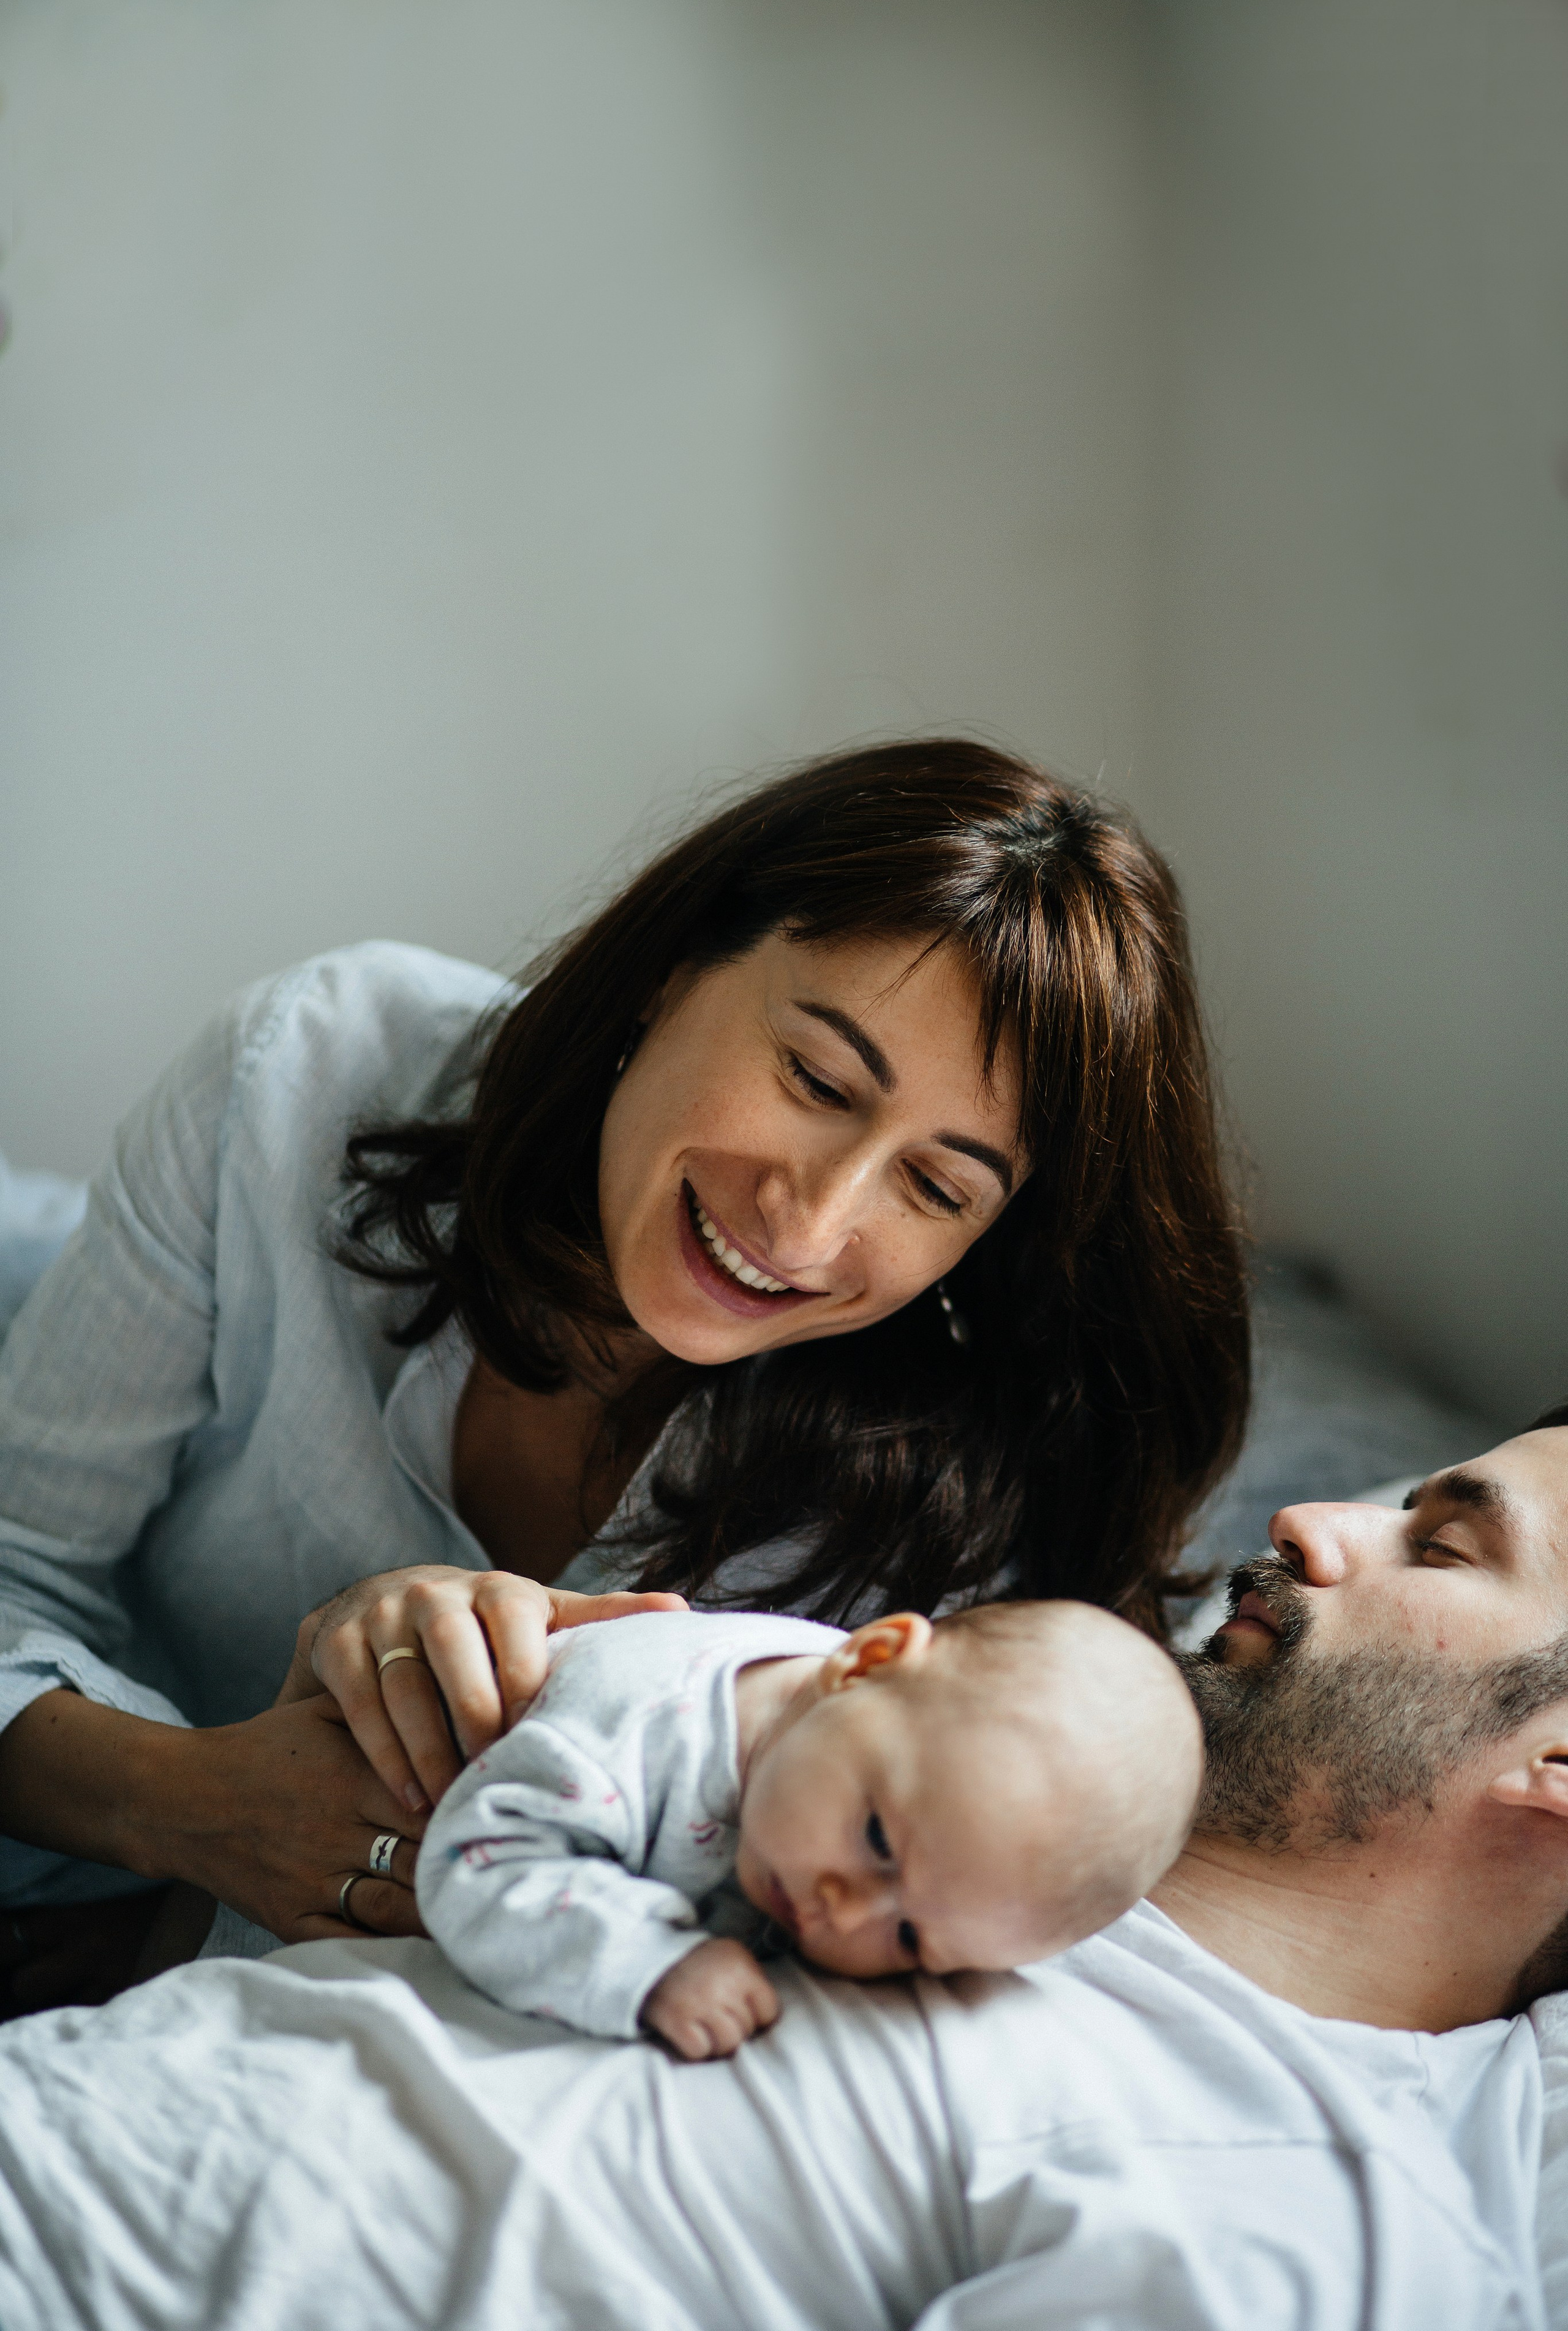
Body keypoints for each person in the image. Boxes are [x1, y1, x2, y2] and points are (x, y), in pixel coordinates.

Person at [0, 739, 1250, 2012]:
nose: (806, 1227)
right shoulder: (306, 1074)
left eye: (935, 1187)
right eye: (814, 1080)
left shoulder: (934, 1523)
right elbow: (14, 1559)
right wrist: (182, 1813)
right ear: (673, 965)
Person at [1, 1410, 1564, 2331]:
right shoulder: (900, 1724)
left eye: (1438, 1545)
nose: (1309, 1519)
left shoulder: (1315, 2209)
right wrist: (415, 1648)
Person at [417, 1599, 1202, 2055]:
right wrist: (649, 1962)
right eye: (878, 1843)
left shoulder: (878, 1733)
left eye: (909, 1944)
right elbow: (473, 1862)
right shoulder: (634, 1724)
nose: (847, 1913)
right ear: (865, 1662)